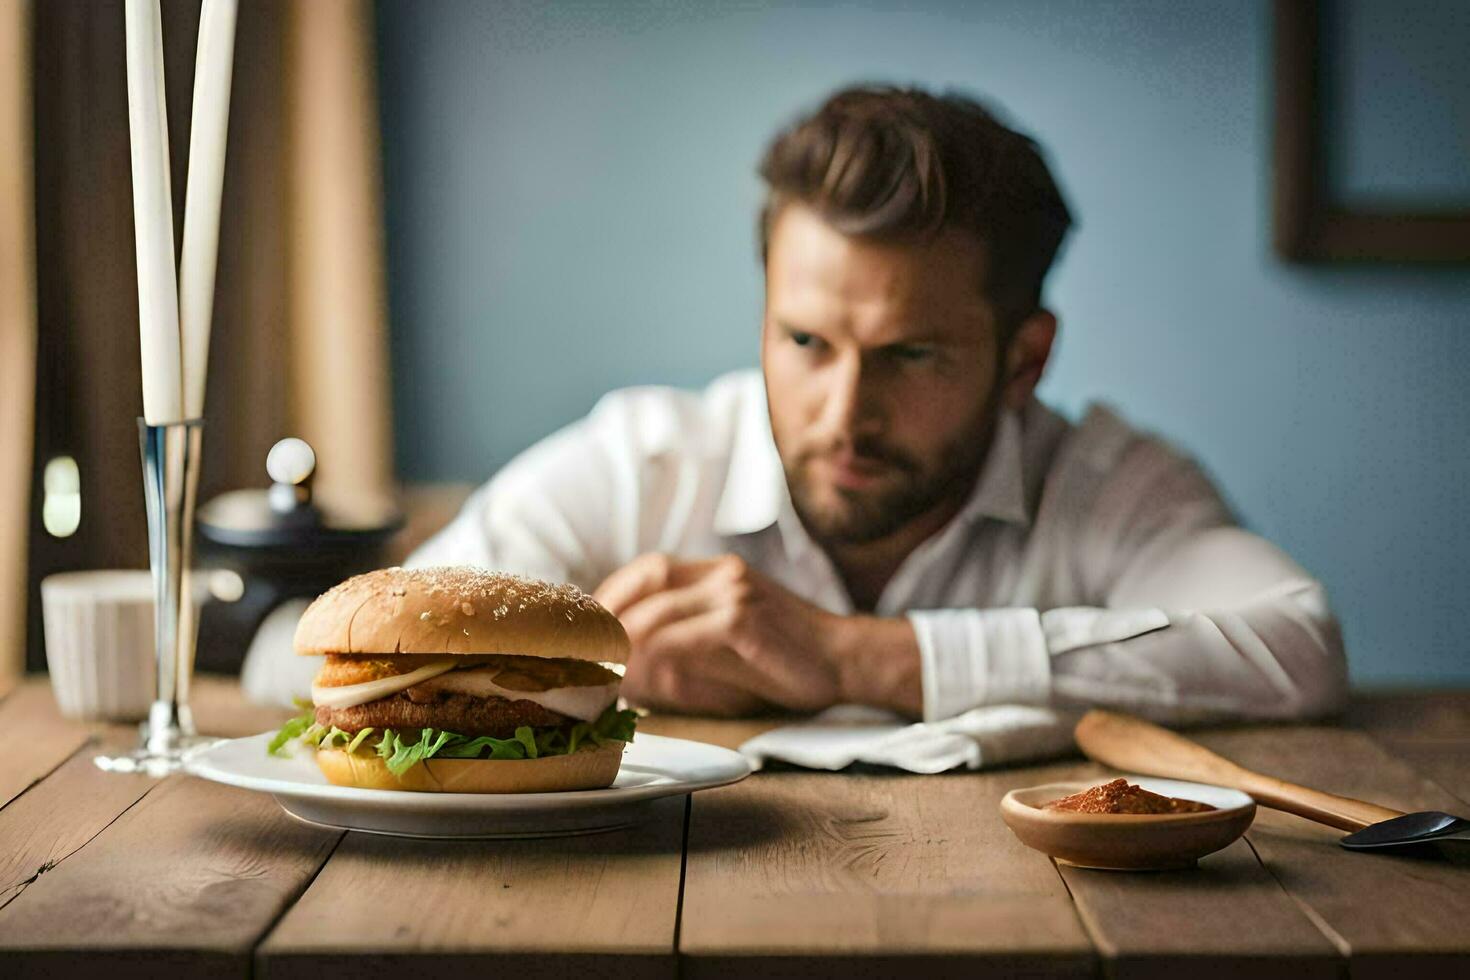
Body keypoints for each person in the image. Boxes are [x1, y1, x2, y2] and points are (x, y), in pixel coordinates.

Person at [411, 85, 1348, 725]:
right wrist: (585, 676)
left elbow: (1293, 644)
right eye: (806, 343)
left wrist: (857, 659)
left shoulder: (1104, 484)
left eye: (910, 356)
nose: (845, 413)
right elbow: (324, 658)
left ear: (1025, 361)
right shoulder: (643, 462)